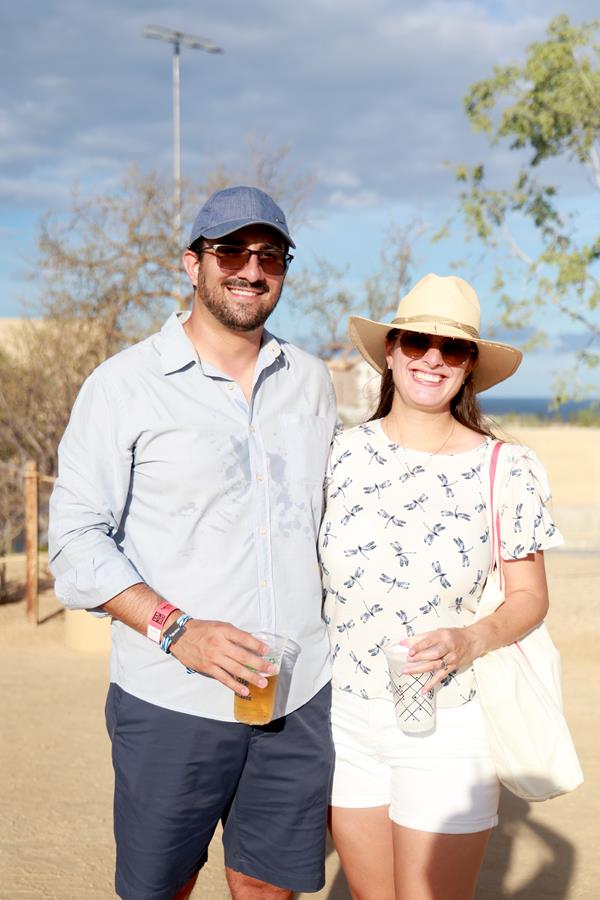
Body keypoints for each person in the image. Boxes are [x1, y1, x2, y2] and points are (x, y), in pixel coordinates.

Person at [48, 186, 337, 900]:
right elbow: (76, 542)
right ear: (192, 263)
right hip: (172, 699)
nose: (251, 269)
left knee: (267, 888)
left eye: (270, 255)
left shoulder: (311, 381)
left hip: (297, 695)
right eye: (231, 251)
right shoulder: (123, 386)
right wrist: (178, 630)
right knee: (161, 888)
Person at [319, 273, 563, 900]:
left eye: (452, 348)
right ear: (391, 350)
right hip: (343, 722)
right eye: (417, 342)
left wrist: (470, 639)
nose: (433, 358)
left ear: (469, 366)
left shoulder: (506, 468)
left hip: (449, 725)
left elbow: (530, 597)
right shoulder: (337, 455)